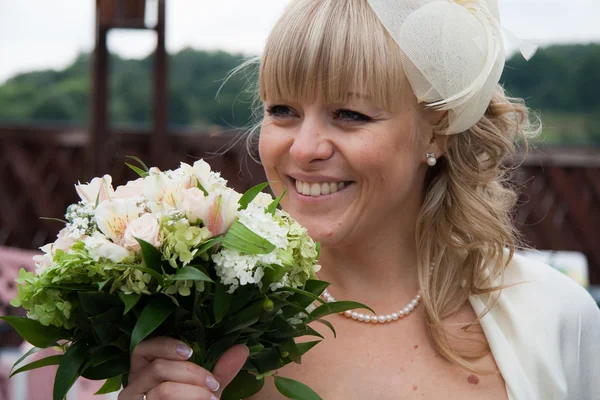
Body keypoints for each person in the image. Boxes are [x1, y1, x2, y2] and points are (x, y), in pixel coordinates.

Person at [118, 1, 600, 399]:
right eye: (282, 111)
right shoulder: (192, 315)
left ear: (438, 133)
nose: (304, 149)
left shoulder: (556, 319)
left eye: (349, 114)